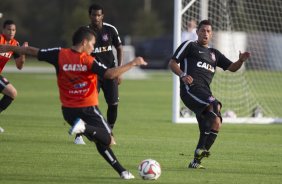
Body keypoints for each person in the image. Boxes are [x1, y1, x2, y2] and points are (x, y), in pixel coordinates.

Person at [0, 26, 147, 179]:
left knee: (98, 140)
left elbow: (32, 51)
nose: (93, 47)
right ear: (84, 42)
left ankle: (122, 171)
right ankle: (84, 128)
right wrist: (133, 63)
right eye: (92, 44)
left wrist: (5, 47)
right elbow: (110, 74)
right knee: (109, 140)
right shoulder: (88, 60)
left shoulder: (59, 54)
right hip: (88, 109)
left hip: (68, 111)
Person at [169, 20, 250, 169]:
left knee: (216, 122)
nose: (205, 33)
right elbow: (172, 63)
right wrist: (182, 75)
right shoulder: (190, 46)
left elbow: (232, 68)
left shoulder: (214, 54)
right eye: (202, 30)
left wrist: (240, 60)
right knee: (215, 104)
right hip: (190, 89)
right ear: (197, 32)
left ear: (211, 34)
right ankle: (200, 149)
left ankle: (196, 161)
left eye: (208, 31)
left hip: (204, 93)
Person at [74, 4, 123, 145]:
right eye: (93, 15)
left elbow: (119, 48)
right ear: (90, 16)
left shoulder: (110, 30)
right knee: (87, 105)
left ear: (102, 16)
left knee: (113, 104)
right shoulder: (85, 32)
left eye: (98, 15)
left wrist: (119, 70)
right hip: (92, 74)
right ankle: (78, 135)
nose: (96, 17)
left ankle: (108, 131)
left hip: (110, 72)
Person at [0, 20, 27, 133]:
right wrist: (17, 49)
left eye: (13, 30)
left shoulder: (15, 44)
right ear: (3, 30)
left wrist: (23, 53)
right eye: (9, 29)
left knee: (12, 93)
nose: (11, 32)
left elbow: (19, 66)